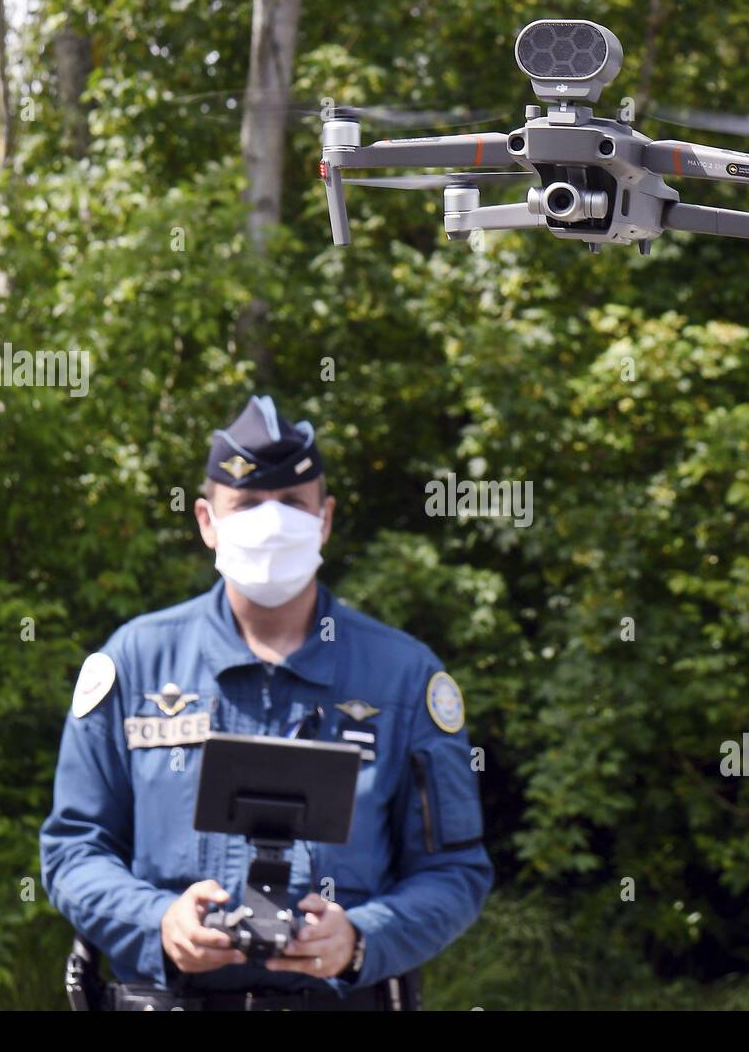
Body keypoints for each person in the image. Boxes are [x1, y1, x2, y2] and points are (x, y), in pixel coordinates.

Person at [39, 394, 492, 1010]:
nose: (272, 523)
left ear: (325, 519)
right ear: (206, 520)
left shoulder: (404, 678)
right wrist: (158, 922)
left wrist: (362, 938)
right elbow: (73, 849)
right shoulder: (134, 664)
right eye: (248, 504)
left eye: (293, 505)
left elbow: (455, 872)